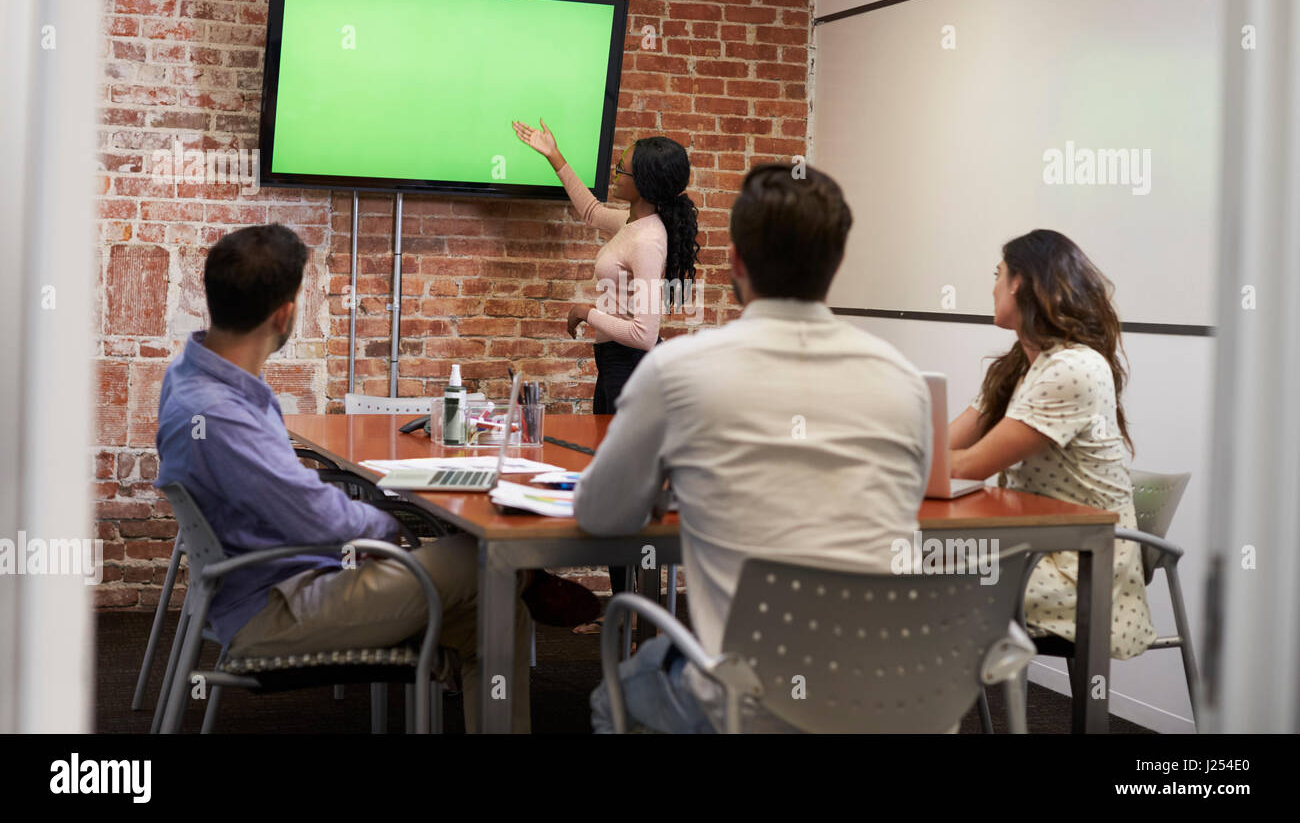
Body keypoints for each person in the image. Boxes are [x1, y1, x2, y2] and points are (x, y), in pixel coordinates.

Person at [577, 163, 933, 733]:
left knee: (609, 696)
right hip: (909, 697)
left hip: (756, 703)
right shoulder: (904, 380)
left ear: (736, 262)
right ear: (837, 263)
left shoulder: (677, 370)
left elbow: (600, 514)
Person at [154, 224, 532, 731]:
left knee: (496, 613)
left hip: (282, 581)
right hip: (274, 610)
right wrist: (387, 529)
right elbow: (308, 511)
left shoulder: (192, 374)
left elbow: (297, 505)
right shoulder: (220, 415)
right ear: (286, 313)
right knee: (489, 561)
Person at [948, 229, 1157, 660]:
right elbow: (944, 446)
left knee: (917, 574)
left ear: (1019, 283)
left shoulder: (1073, 368)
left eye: (997, 274)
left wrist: (899, 458)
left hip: (1079, 570)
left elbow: (966, 465)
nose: (991, 287)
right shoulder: (1018, 369)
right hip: (1031, 548)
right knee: (911, 564)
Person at [511, 119, 699, 413]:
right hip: (615, 363)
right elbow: (592, 211)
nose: (615, 174)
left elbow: (644, 335)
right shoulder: (633, 223)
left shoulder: (647, 240)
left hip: (629, 367)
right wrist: (553, 154)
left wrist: (586, 313)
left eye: (621, 169)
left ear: (643, 182)